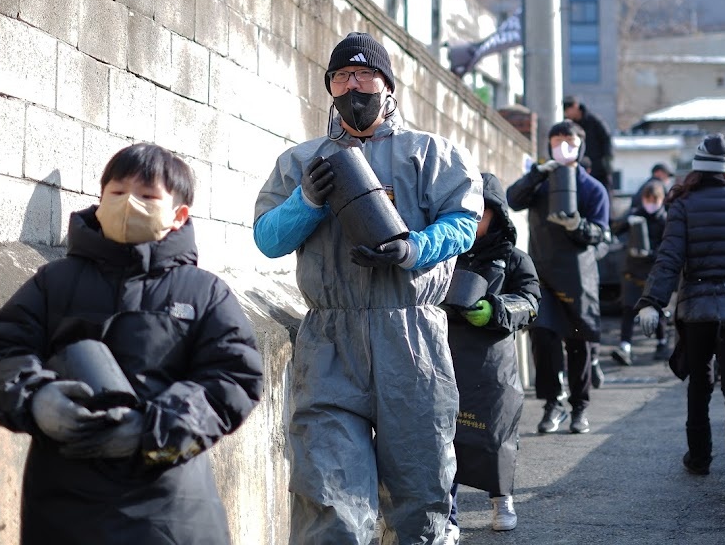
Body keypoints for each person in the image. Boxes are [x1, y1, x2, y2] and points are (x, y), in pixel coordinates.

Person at [253, 32, 483, 545]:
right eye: (341, 77)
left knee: (421, 492)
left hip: (411, 334)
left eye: (364, 76)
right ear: (330, 89)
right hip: (331, 341)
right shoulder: (301, 162)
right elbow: (268, 239)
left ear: (387, 86)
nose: (353, 86)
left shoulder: (432, 154)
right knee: (327, 489)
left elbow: (464, 222)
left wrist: (414, 248)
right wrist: (306, 201)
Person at [0, 143, 265, 544]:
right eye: (117, 192)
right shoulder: (53, 282)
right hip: (63, 504)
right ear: (99, 200)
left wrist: (151, 430)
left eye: (147, 196)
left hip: (169, 505)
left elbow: (234, 378)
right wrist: (37, 401)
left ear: (179, 215)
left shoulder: (204, 293)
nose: (129, 204)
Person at [635, 133, 725, 494]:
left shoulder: (683, 204)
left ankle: (699, 457)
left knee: (700, 384)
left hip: (697, 309)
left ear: (697, 167)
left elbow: (669, 259)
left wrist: (652, 301)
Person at [444, 172, 540, 544]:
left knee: (497, 435)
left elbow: (531, 303)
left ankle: (502, 500)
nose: (474, 219)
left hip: (495, 364)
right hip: (448, 359)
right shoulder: (448, 253)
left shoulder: (515, 259)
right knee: (447, 437)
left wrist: (496, 309)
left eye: (481, 212)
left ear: (497, 214)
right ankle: (449, 516)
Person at [507, 120, 611, 436]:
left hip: (579, 277)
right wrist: (540, 171)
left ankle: (580, 407)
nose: (563, 145)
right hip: (542, 273)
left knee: (580, 343)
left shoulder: (593, 189)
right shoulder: (540, 184)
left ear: (580, 145)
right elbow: (513, 199)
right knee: (543, 336)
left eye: (569, 140)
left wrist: (577, 226)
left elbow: (601, 233)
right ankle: (553, 403)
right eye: (556, 140)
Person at [610, 179, 669, 366]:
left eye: (655, 200)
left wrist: (651, 253)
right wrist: (625, 221)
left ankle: (662, 344)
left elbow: (669, 246)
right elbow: (615, 229)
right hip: (633, 272)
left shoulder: (665, 220)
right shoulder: (636, 214)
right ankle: (625, 347)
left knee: (656, 310)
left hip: (653, 273)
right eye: (648, 199)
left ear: (661, 200)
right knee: (628, 309)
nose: (651, 203)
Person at [562, 95, 614, 191]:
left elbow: (606, 138)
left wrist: (607, 160)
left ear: (575, 106)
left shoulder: (594, 121)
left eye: (567, 110)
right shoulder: (569, 125)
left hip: (599, 168)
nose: (566, 114)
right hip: (580, 167)